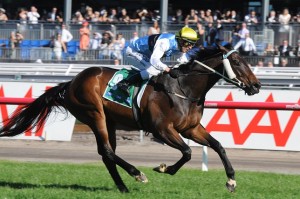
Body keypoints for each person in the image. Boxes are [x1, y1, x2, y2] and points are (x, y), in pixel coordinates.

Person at [116, 27, 199, 95]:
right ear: (181, 40)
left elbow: (184, 61)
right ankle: (125, 83)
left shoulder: (180, 46)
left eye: (193, 44)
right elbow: (154, 60)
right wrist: (169, 70)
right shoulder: (165, 42)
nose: (190, 47)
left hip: (145, 55)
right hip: (132, 51)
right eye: (189, 43)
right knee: (154, 70)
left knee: (159, 69)